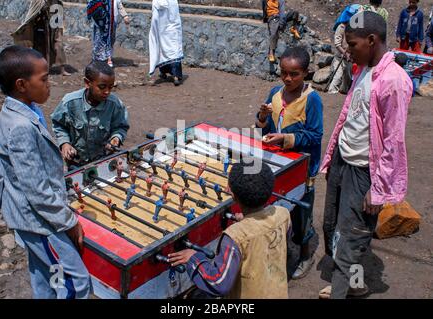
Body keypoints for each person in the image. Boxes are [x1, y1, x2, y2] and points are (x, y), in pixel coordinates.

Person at [320, 11, 413, 299]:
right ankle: (356, 284)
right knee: (332, 226)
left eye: (352, 43)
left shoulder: (394, 81)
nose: (347, 50)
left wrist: (379, 188)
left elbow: (393, 141)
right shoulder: (362, 69)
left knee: (350, 239)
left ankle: (341, 289)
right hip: (343, 161)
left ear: (371, 40)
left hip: (364, 172)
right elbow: (353, 116)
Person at [0, 45, 91, 298]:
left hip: (28, 214)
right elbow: (35, 188)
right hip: (39, 221)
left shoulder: (18, 110)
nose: (49, 85)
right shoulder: (21, 126)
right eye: (44, 79)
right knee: (74, 281)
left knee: (44, 274)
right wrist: (68, 221)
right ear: (22, 85)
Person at [169, 162, 290, 298]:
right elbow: (268, 236)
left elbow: (218, 283)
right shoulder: (283, 214)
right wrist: (248, 221)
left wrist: (194, 259)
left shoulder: (234, 236)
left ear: (232, 194)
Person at [256, 46, 323, 280]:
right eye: (284, 72)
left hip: (302, 170)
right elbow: (262, 127)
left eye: (294, 74)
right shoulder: (275, 93)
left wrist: (286, 138)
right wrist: (263, 117)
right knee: (277, 211)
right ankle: (281, 252)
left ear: (305, 73)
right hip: (277, 165)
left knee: (301, 214)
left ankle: (305, 255)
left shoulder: (312, 100)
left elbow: (315, 135)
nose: (287, 78)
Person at [51, 61, 130, 168]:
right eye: (102, 87)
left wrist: (116, 138)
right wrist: (65, 143)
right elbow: (59, 125)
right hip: (76, 163)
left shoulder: (115, 104)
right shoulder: (69, 103)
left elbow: (121, 127)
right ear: (87, 83)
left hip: (104, 161)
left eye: (111, 87)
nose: (107, 92)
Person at [12, 0, 70, 76]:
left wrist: (58, 28)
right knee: (42, 49)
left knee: (58, 45)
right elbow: (33, 14)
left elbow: (58, 15)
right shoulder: (39, 1)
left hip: (54, 27)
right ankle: (43, 68)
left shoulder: (57, 2)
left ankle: (62, 69)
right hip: (41, 28)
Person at [328, 4, 362, 94]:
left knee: (348, 77)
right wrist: (344, 53)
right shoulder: (341, 27)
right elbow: (337, 43)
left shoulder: (355, 28)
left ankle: (344, 92)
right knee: (337, 76)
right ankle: (331, 93)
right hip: (340, 56)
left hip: (350, 57)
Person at [149, 0, 184, 86]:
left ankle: (163, 73)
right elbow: (176, 16)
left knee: (163, 52)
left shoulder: (157, 2)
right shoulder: (173, 1)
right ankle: (176, 76)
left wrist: (154, 31)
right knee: (175, 52)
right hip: (174, 30)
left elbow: (155, 18)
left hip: (163, 30)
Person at [87, 0, 130, 67]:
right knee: (99, 40)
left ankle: (108, 57)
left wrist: (125, 15)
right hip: (101, 20)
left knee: (111, 39)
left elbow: (119, 4)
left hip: (112, 21)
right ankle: (97, 59)